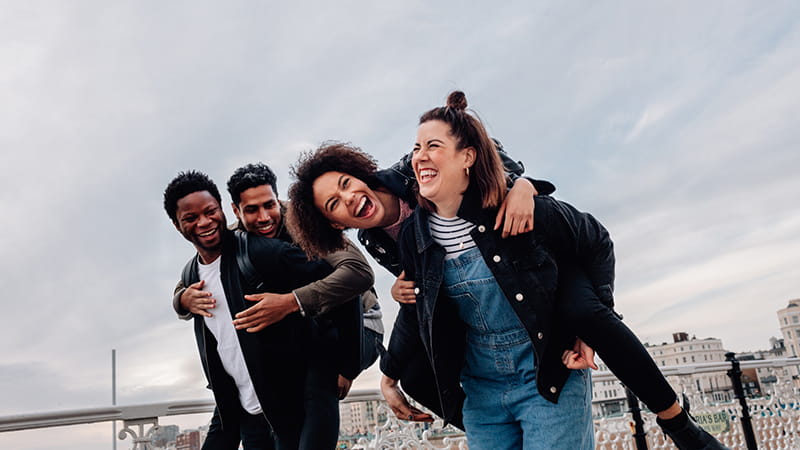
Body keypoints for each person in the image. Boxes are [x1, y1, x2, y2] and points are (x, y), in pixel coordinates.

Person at [386, 91, 728, 450]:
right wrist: (389, 375)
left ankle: (682, 426)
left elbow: (597, 241)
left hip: (549, 379)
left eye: (433, 146)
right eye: (416, 147)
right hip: (481, 393)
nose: (419, 156)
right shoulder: (414, 236)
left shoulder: (524, 210)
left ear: (467, 157)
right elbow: (415, 308)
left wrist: (594, 321)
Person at [287, 142, 551, 428]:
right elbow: (422, 289)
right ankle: (487, 427)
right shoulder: (372, 241)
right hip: (463, 301)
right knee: (415, 377)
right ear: (335, 224)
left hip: (508, 273)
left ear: (359, 175)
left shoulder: (410, 169)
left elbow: (477, 147)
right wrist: (401, 292)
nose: (349, 197)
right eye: (334, 204)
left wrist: (520, 184)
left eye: (346, 183)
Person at [171, 164, 380, 449]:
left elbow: (357, 275)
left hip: (360, 325)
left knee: (317, 377)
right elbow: (193, 278)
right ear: (236, 212)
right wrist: (182, 299)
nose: (263, 217)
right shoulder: (236, 238)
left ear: (278, 199)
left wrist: (347, 366)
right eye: (251, 210)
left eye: (269, 205)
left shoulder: (306, 223)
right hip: (314, 326)